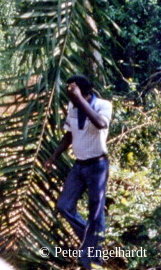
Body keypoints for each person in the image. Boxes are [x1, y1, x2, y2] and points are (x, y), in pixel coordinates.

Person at [45, 75, 112, 270]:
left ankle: (93, 261)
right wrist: (53, 157)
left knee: (96, 213)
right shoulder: (73, 107)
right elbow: (69, 134)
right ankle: (91, 241)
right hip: (79, 165)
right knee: (64, 205)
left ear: (83, 92)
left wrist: (79, 99)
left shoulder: (103, 105)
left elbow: (100, 124)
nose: (69, 94)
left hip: (97, 166)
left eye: (72, 91)